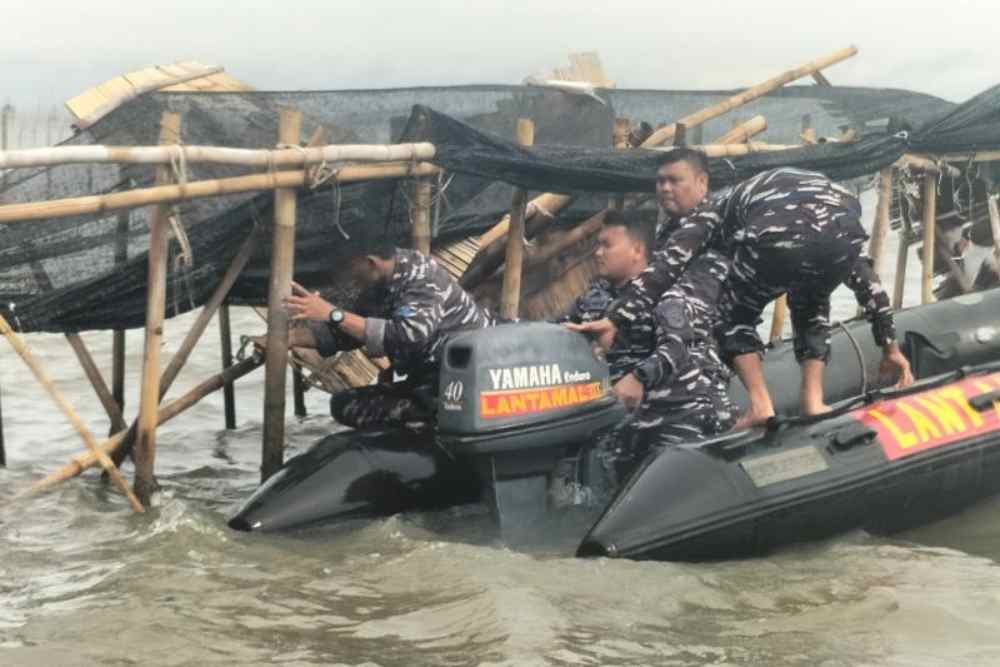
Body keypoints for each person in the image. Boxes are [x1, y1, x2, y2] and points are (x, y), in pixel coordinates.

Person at [572, 149, 913, 430]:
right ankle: (813, 400)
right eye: (659, 181)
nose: (663, 189)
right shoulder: (752, 202)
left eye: (673, 180)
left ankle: (761, 405)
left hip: (780, 225)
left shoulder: (712, 210)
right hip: (845, 221)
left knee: (734, 314)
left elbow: (667, 266)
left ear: (702, 183)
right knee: (811, 297)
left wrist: (616, 319)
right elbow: (864, 274)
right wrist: (890, 346)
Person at [272, 241, 493, 429]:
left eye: (350, 270)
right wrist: (287, 338)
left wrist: (332, 313)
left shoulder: (421, 277)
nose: (348, 279)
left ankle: (428, 428)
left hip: (459, 383)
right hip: (428, 378)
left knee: (353, 408)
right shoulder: (379, 283)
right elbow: (347, 333)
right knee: (342, 403)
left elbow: (408, 335)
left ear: (371, 262)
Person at [558, 209, 657, 385]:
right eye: (598, 245)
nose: (598, 253)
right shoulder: (592, 298)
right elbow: (557, 331)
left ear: (637, 250)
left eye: (607, 245)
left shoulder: (662, 298)